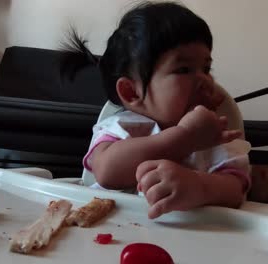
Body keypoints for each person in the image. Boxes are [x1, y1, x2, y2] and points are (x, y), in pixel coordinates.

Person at [60, 1, 251, 219]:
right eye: (184, 69)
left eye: (206, 68)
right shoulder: (123, 127)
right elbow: (106, 172)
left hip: (195, 241)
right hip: (113, 233)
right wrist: (186, 137)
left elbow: (236, 189)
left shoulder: (214, 133)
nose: (206, 81)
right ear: (131, 92)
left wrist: (200, 186)